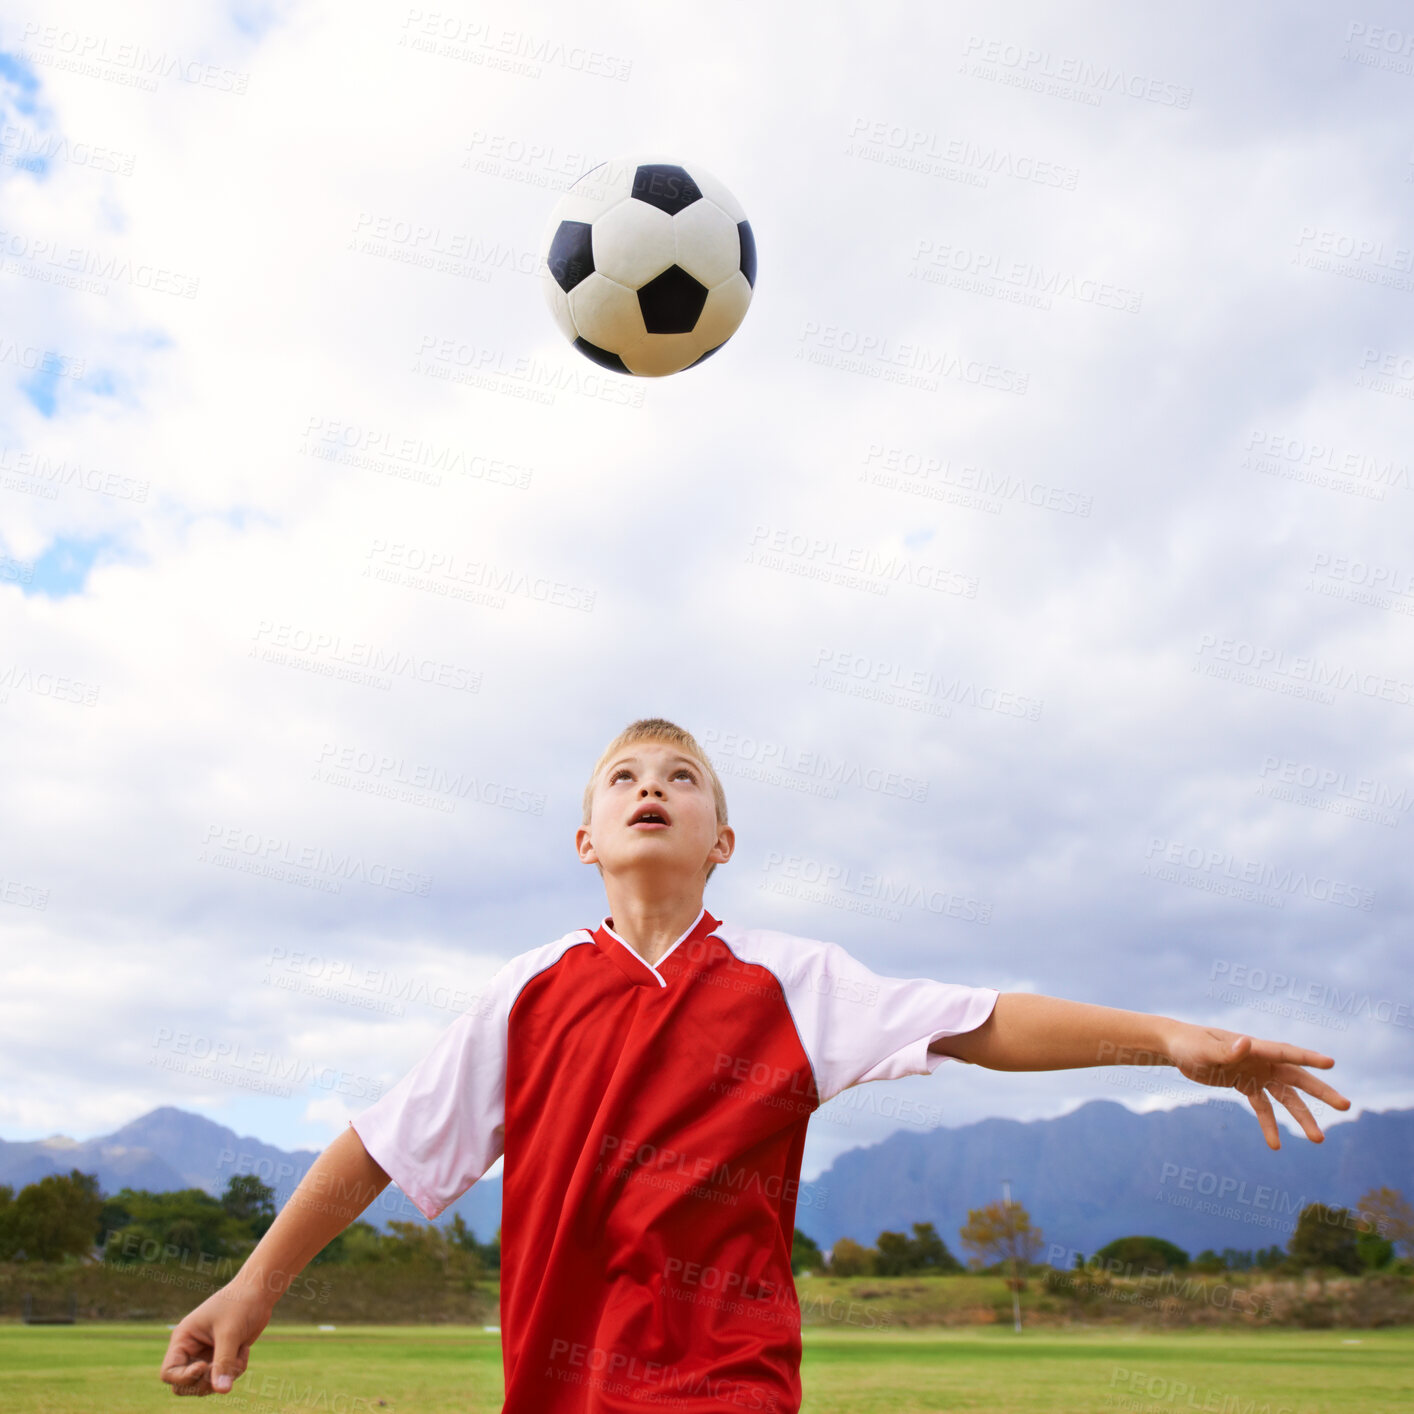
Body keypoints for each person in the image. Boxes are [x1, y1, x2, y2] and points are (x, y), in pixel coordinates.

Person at [159, 717, 1350, 1408]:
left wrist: (1172, 1040)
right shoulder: (523, 995)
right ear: (585, 838)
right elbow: (379, 1145)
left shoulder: (793, 981)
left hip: (725, 1386)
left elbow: (982, 1020)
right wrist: (253, 1284)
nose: (651, 789)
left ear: (721, 840)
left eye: (681, 779)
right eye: (623, 776)